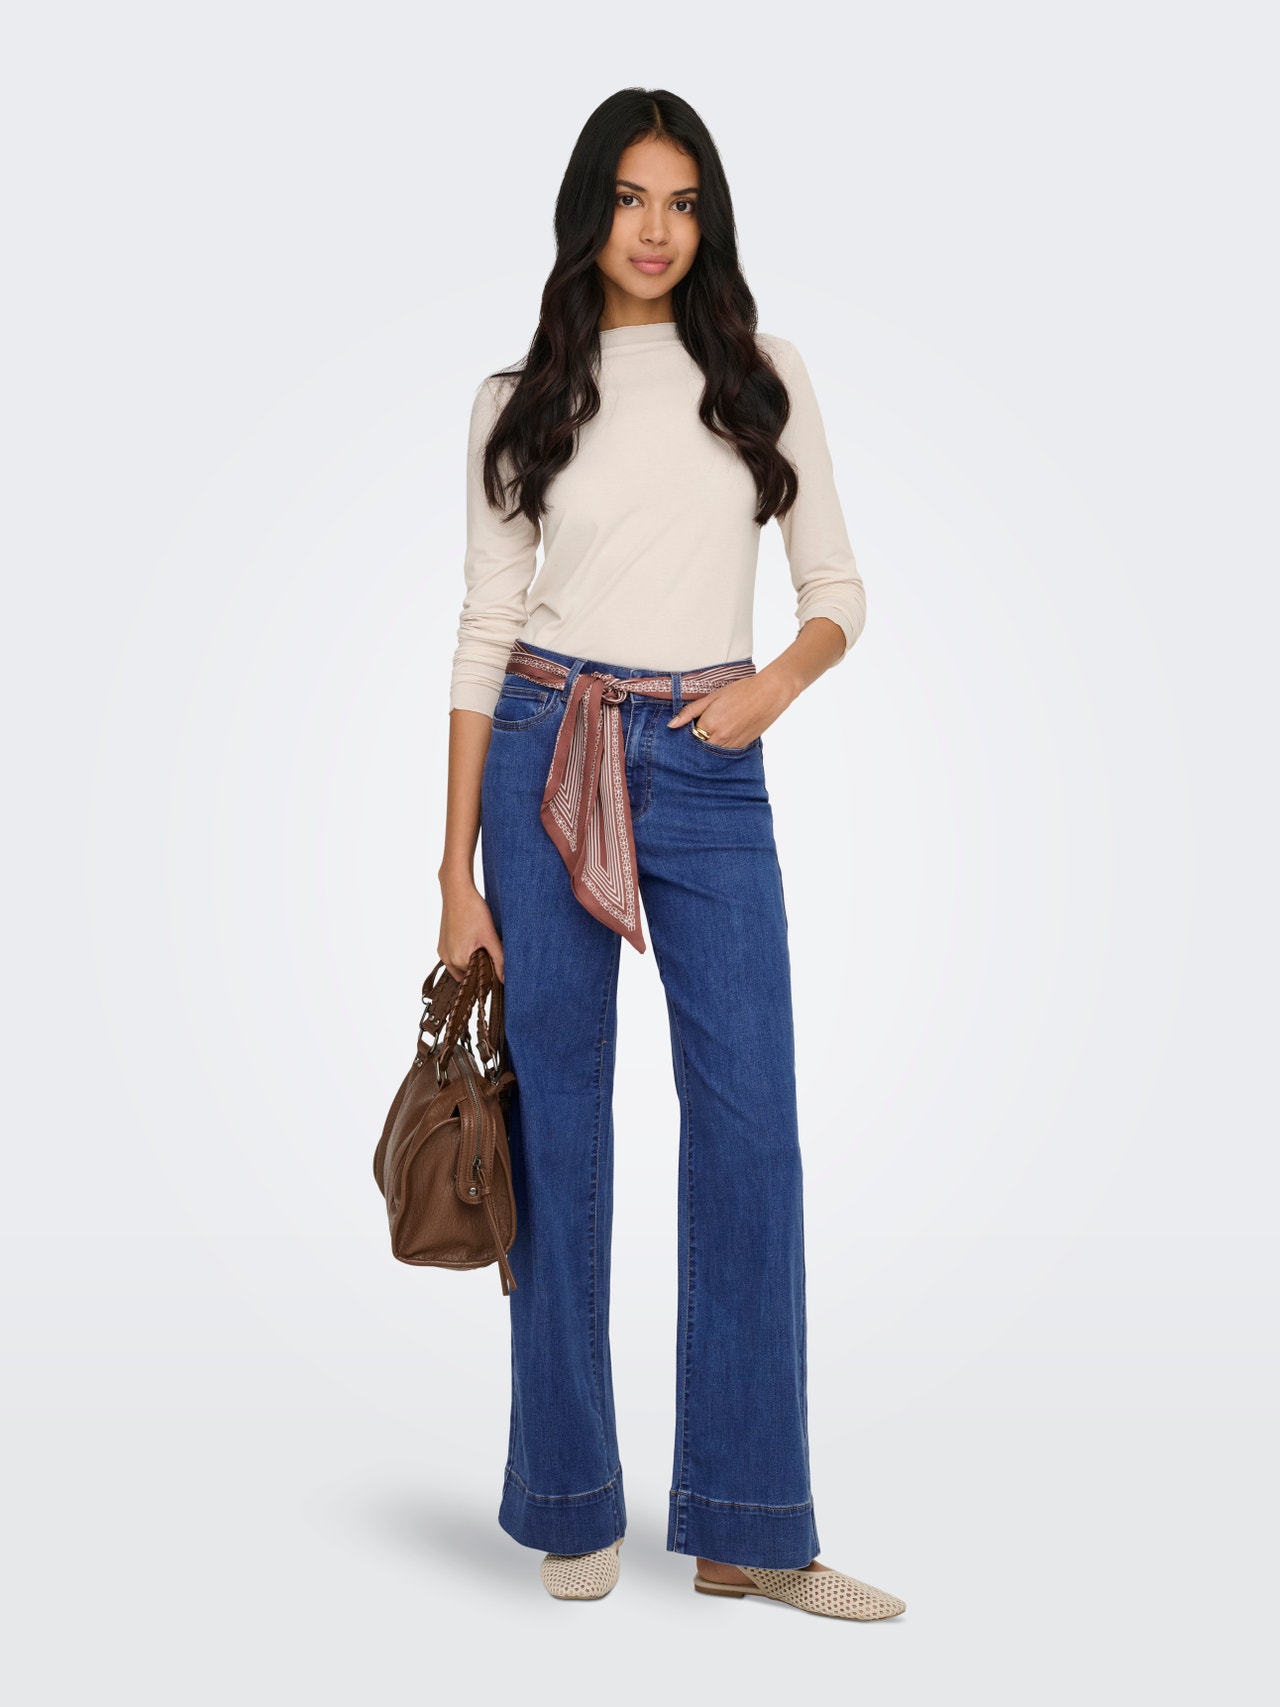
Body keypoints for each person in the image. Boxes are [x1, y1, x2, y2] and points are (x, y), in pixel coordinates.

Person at [437, 86, 905, 1622]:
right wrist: (453, 877)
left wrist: (771, 690)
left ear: (709, 220)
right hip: (544, 741)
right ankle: (571, 1496)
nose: (657, 229)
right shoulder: (518, 397)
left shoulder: (762, 373)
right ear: (590, 211)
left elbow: (835, 584)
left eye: (684, 201)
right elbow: (484, 631)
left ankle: (749, 1525)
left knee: (751, 1127)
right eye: (632, 198)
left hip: (708, 759)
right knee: (558, 1132)